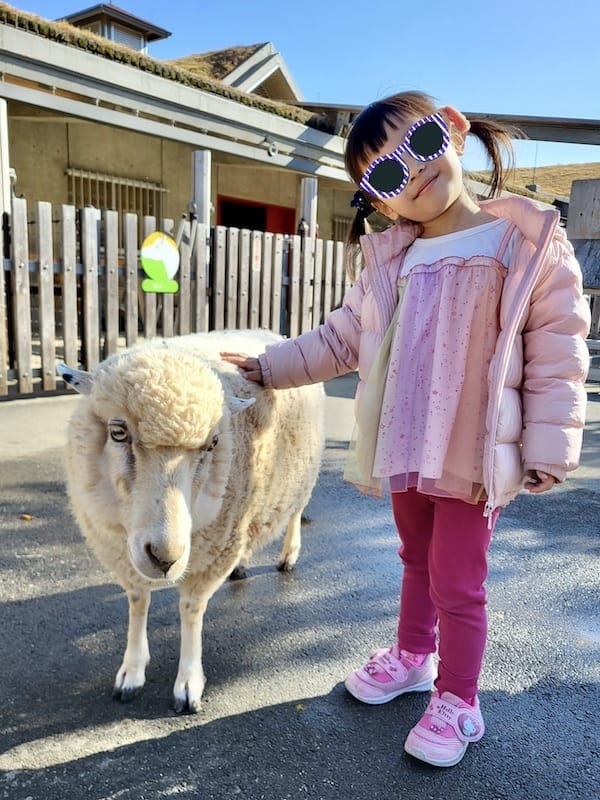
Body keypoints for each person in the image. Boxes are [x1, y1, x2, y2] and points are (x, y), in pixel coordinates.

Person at [221, 91, 591, 768]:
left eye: (418, 146)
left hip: (473, 456)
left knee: (458, 580)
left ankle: (459, 699)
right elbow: (340, 338)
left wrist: (547, 447)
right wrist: (269, 367)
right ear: (381, 201)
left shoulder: (527, 245)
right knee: (415, 562)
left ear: (450, 128)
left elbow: (557, 353)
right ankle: (415, 657)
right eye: (386, 176)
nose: (412, 173)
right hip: (405, 446)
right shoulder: (393, 258)